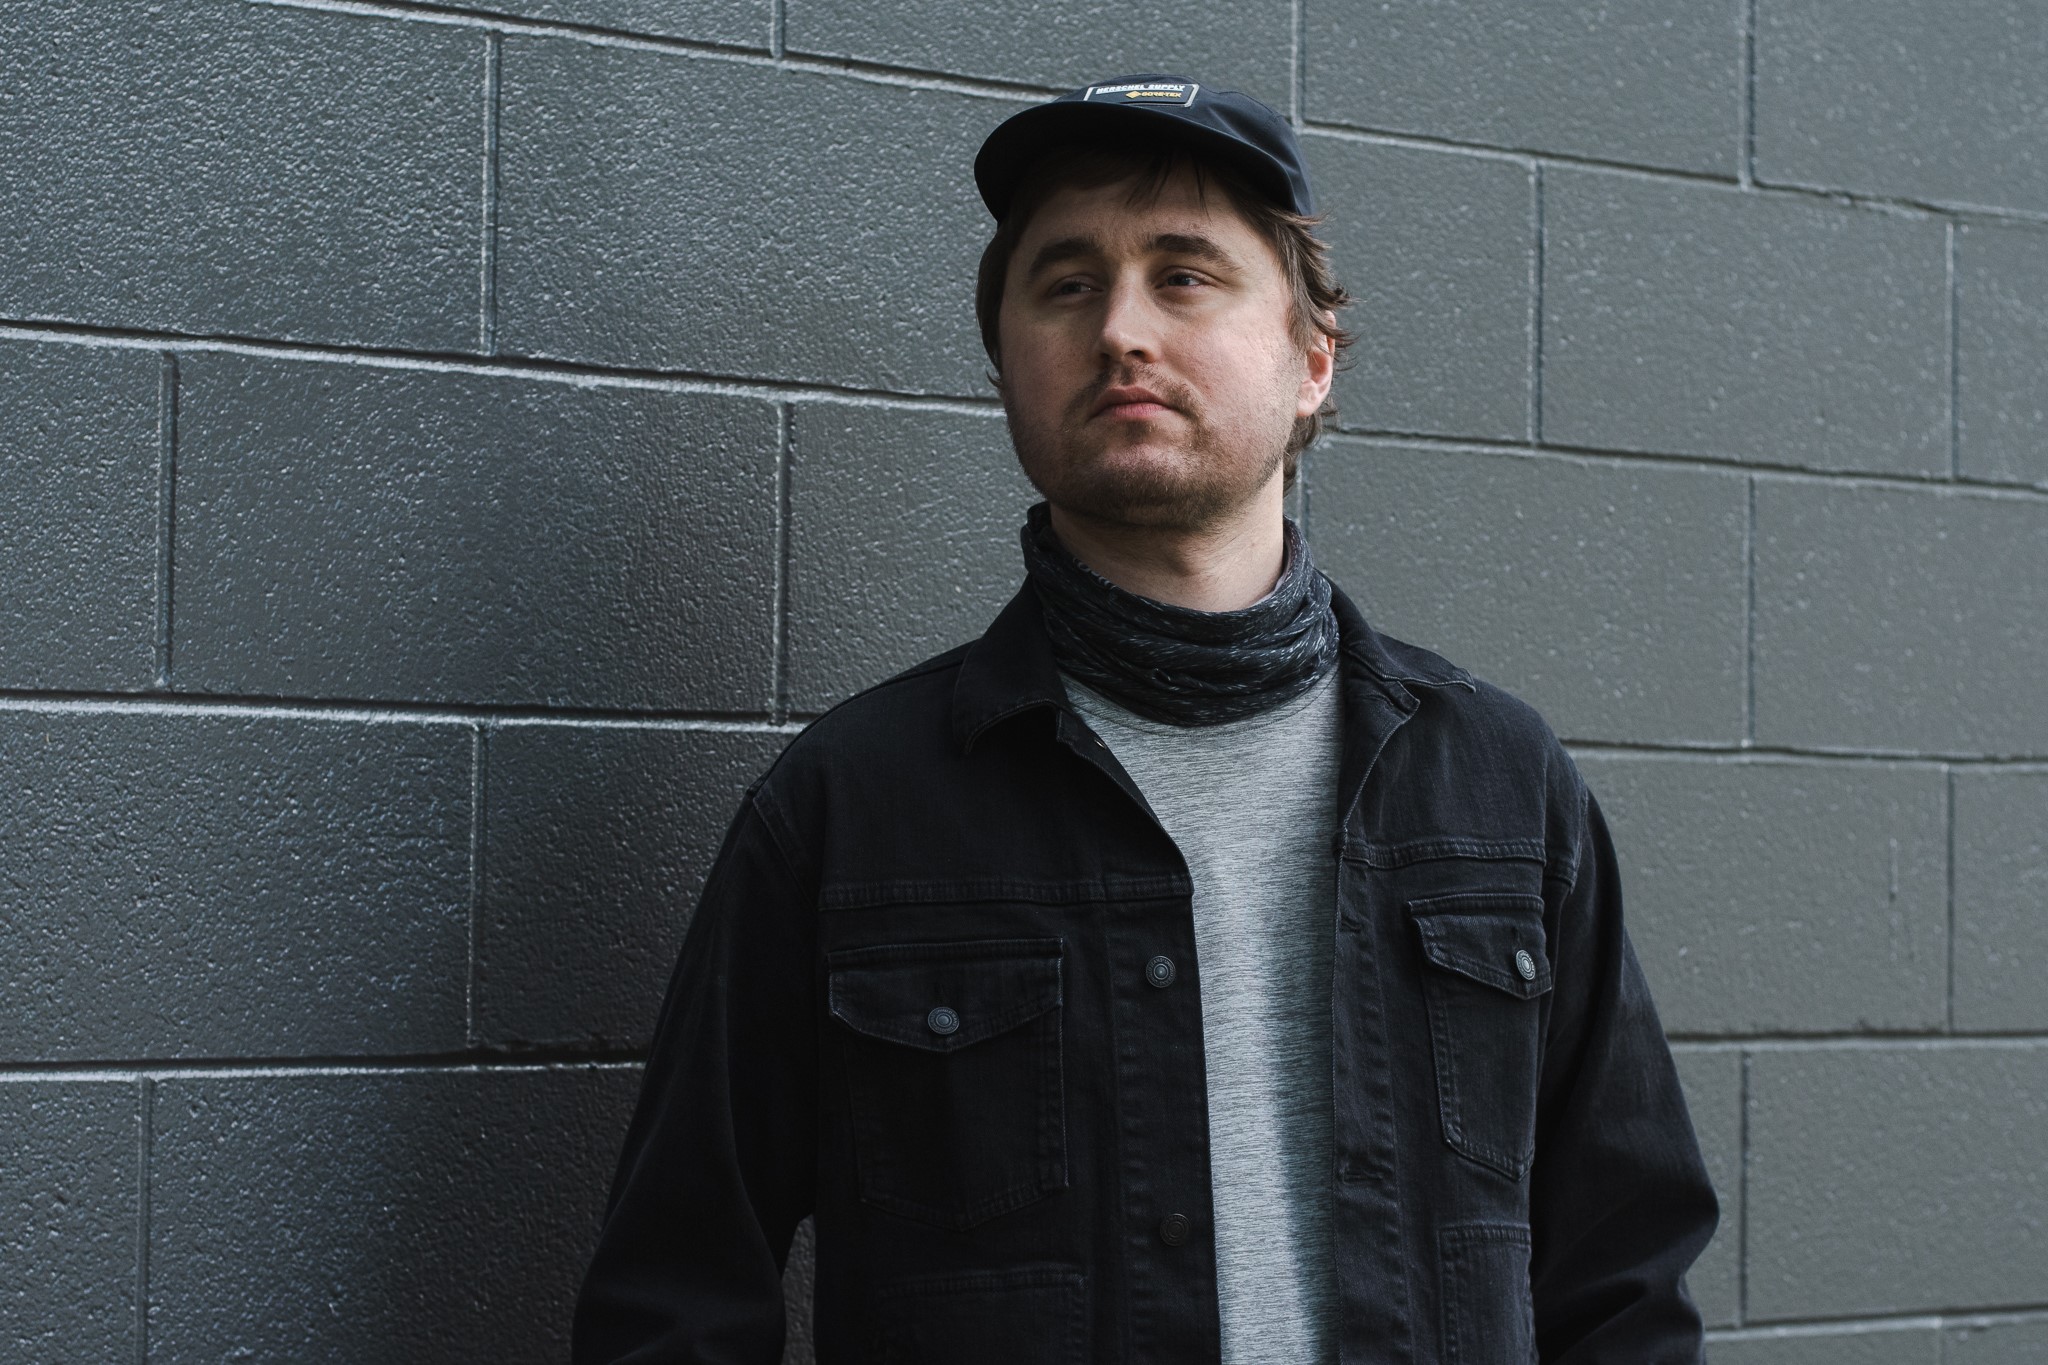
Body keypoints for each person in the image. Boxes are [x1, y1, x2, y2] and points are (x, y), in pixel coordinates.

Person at [572, 74, 1717, 1364]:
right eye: (1066, 285)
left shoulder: (1500, 789)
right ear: (1005, 367)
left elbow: (1625, 1281)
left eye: (1184, 276)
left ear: (1311, 362)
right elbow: (676, 1297)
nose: (1121, 329)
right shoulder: (850, 809)